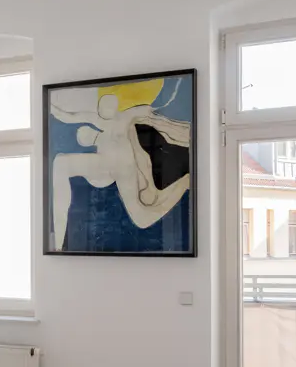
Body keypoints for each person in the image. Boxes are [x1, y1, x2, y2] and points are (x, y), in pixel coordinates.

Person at [49, 91, 190, 250]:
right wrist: (53, 108)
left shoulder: (122, 118)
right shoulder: (101, 123)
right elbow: (70, 117)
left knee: (141, 218)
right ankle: (59, 242)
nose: (106, 108)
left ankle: (184, 183)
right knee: (141, 218)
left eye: (109, 104)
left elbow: (150, 113)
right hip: (115, 167)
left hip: (123, 168)